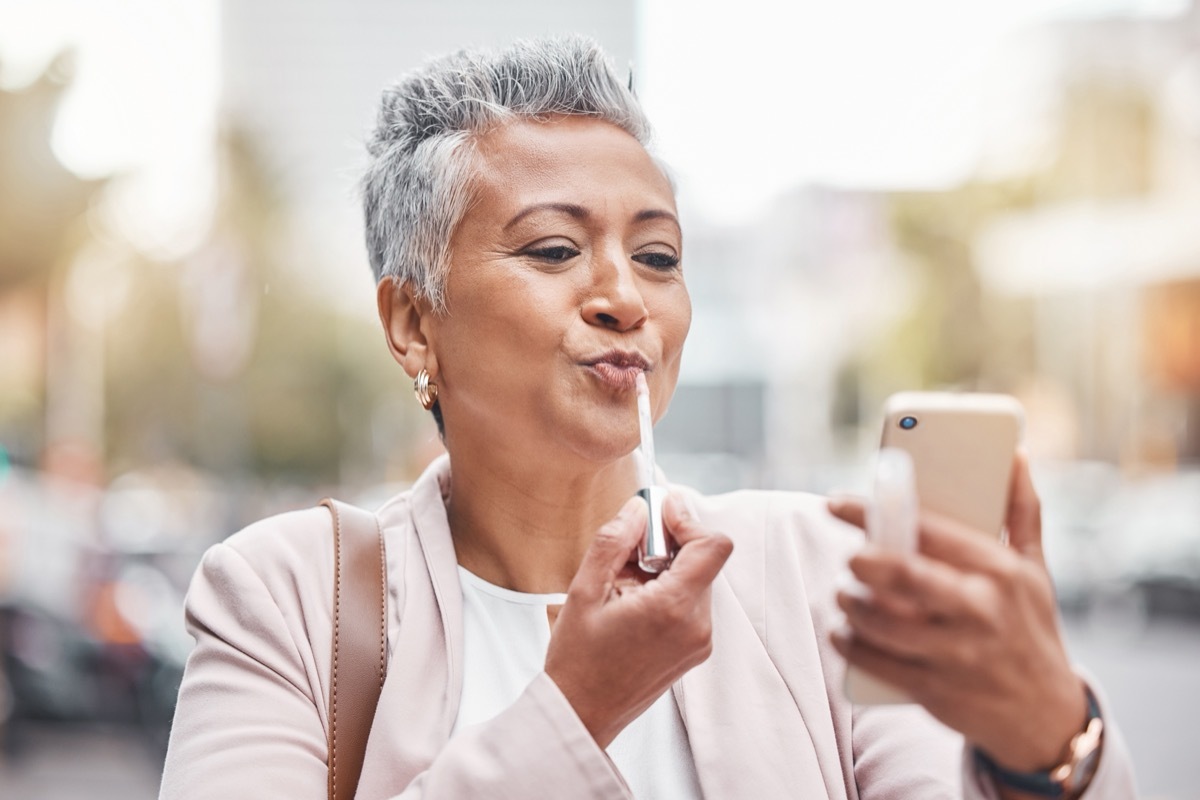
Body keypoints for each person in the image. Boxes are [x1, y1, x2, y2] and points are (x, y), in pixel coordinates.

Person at [159, 36, 1137, 799]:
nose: (626, 297)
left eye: (660, 256)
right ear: (414, 321)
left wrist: (1044, 742)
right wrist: (574, 707)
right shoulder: (287, 601)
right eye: (552, 249)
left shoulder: (815, 576)